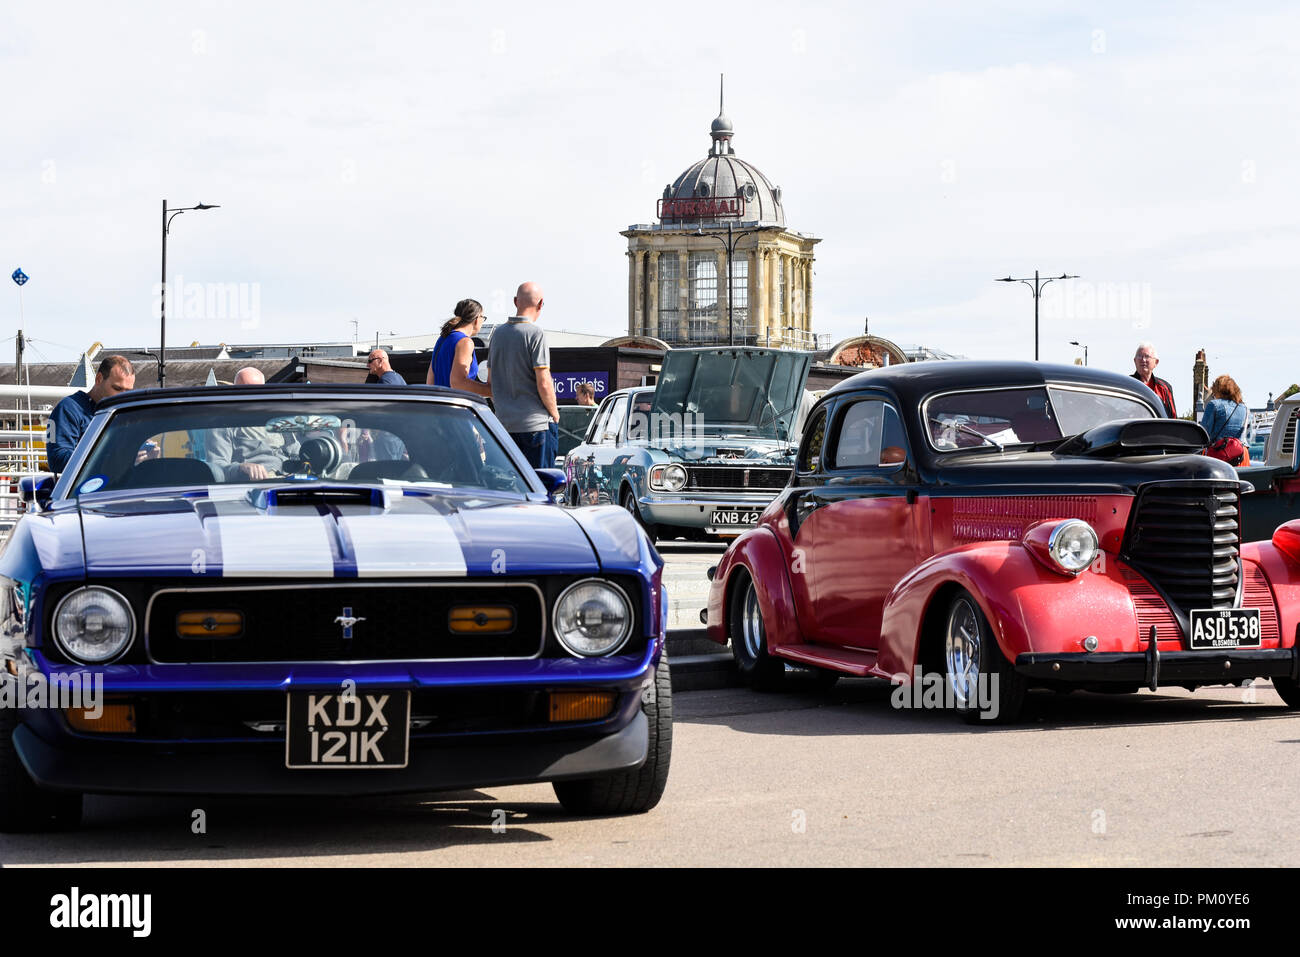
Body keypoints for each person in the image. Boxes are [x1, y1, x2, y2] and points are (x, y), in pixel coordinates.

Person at [488, 281, 560, 469]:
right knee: (540, 483)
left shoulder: (497, 335)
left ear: (515, 301)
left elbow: (491, 382)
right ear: (541, 304)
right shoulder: (536, 334)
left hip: (504, 426)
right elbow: (543, 383)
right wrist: (554, 413)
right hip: (535, 426)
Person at [45, 355, 135, 473]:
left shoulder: (126, 413)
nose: (123, 396)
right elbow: (57, 460)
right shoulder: (68, 408)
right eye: (117, 388)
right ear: (99, 379)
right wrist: (112, 460)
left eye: (128, 391)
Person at [206, 367, 298, 480]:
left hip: (290, 481)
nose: (251, 395)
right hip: (253, 485)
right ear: (235, 392)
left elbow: (297, 452)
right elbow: (217, 466)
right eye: (244, 390)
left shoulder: (277, 419)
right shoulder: (223, 424)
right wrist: (241, 467)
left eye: (257, 390)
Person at [427, 299, 491, 397]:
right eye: (483, 317)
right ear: (477, 319)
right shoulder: (465, 342)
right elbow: (458, 383)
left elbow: (430, 382)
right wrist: (491, 391)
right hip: (456, 404)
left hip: (440, 403)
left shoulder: (442, 339)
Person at [1201, 374, 1249, 464]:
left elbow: (1204, 434)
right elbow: (1243, 437)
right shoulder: (1244, 408)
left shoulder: (1214, 404)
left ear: (1218, 390)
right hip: (1240, 456)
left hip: (1218, 456)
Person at [1131, 342, 1177, 417]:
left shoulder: (1164, 388)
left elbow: (1172, 418)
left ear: (1156, 362)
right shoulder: (1128, 385)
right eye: (1140, 356)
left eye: (1147, 356)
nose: (1143, 360)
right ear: (1135, 361)